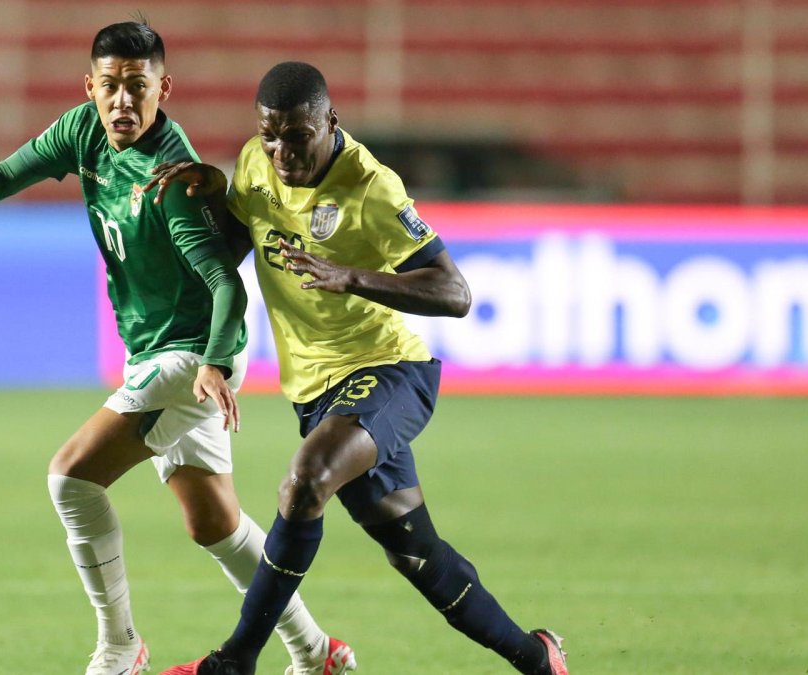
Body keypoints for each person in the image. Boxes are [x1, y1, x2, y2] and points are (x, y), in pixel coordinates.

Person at [0, 25, 354, 675]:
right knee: (214, 522)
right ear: (91, 87)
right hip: (156, 350)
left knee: (71, 477)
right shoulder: (82, 130)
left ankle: (120, 645)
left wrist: (213, 365)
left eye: (138, 86)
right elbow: (11, 172)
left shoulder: (173, 175)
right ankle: (316, 649)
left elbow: (226, 283)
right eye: (110, 86)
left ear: (164, 88)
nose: (123, 101)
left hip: (194, 354)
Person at [152, 61, 569, 675]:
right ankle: (539, 659)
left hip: (388, 371)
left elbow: (455, 293)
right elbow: (235, 245)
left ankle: (235, 661)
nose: (282, 152)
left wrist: (352, 277)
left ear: (330, 122)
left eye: (298, 136)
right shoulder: (255, 163)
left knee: (306, 480)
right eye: (270, 136)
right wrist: (206, 199)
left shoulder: (372, 187)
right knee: (414, 553)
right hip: (316, 392)